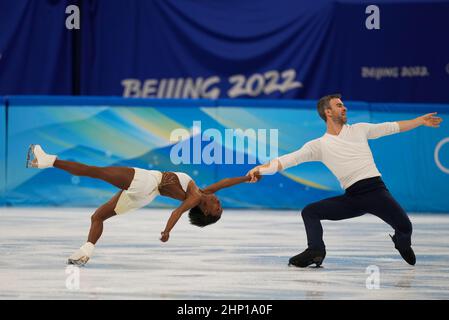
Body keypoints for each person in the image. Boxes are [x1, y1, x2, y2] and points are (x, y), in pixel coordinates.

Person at [247, 94, 443, 268]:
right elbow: (288, 160)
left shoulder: (359, 130)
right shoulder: (319, 145)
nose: (345, 108)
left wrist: (418, 121)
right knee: (310, 212)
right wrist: (260, 169)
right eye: (339, 105)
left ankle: (401, 242)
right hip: (353, 198)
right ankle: (315, 250)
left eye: (343, 105)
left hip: (376, 192)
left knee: (406, 227)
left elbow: (392, 127)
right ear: (328, 112)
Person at [26, 144, 252, 266]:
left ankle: (48, 161)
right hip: (145, 196)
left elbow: (177, 212)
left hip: (147, 181)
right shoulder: (204, 192)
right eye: (220, 206)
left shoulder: (194, 197)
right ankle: (85, 251)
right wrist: (246, 178)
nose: (219, 204)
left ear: (204, 210)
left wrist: (167, 231)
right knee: (98, 217)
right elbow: (224, 183)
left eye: (217, 209)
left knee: (97, 172)